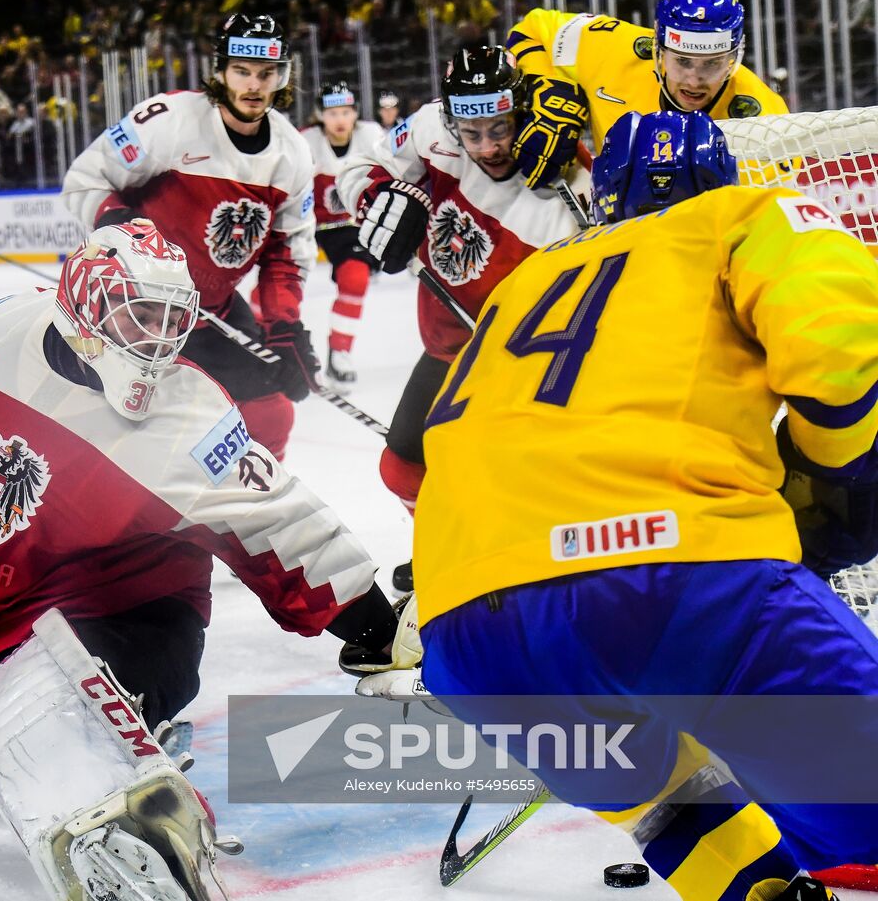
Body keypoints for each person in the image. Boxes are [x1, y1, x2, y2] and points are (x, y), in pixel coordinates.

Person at [359, 111, 878, 900]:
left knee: (672, 807)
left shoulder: (520, 282)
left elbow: (426, 454)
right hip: (672, 578)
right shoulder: (737, 215)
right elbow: (844, 354)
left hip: (469, 636)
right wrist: (839, 482)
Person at [0, 220, 397, 889]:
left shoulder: (185, 415)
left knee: (72, 740)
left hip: (130, 611)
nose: (159, 342)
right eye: (141, 317)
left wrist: (377, 632)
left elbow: (282, 525)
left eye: (171, 319)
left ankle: (119, 735)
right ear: (84, 312)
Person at [336, 46, 580, 589]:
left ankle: (528, 566)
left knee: (525, 478)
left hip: (531, 362)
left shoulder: (567, 182)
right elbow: (356, 172)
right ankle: (448, 549)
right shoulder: (430, 131)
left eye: (501, 126)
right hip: (450, 348)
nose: (489, 145)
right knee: (401, 467)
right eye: (473, 132)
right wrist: (379, 200)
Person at [62, 13, 318, 461]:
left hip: (211, 311)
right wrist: (118, 220)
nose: (254, 85)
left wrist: (284, 325)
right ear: (221, 71)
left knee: (270, 414)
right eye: (242, 71)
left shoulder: (292, 152)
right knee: (125, 432)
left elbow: (285, 254)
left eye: (267, 73)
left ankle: (242, 517)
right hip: (132, 311)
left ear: (284, 75)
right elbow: (85, 180)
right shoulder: (169, 119)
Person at [508, 0, 788, 188]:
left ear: (733, 58)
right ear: (659, 49)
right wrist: (551, 93)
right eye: (682, 61)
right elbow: (530, 31)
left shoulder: (765, 120)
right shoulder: (610, 48)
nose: (694, 80)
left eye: (712, 63)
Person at [300, 82, 384, 387]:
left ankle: (339, 353)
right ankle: (260, 341)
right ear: (320, 115)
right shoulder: (305, 141)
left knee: (355, 278)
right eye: (333, 112)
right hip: (308, 225)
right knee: (279, 280)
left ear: (356, 114)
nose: (340, 119)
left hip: (353, 227)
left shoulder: (371, 136)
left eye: (346, 112)